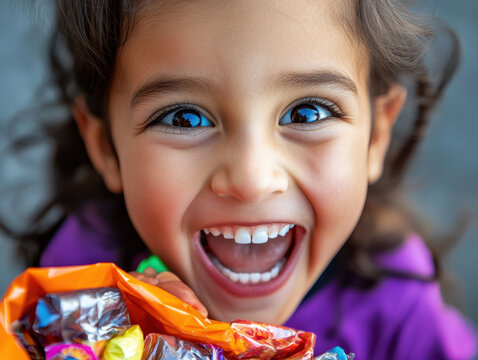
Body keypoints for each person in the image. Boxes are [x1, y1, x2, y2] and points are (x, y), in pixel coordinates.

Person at [1, 0, 476, 358]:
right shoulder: (83, 276)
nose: (251, 179)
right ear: (105, 148)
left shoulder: (401, 308)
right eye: (185, 119)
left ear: (376, 137)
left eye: (307, 112)